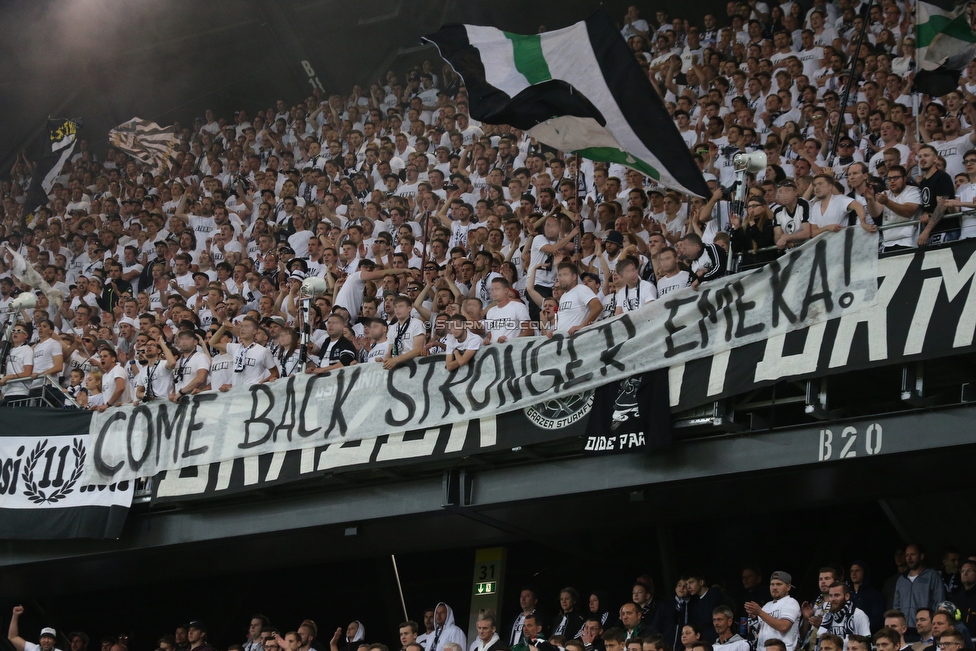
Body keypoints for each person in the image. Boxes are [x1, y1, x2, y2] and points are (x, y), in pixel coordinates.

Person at [210, 317, 279, 388]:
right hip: (237, 393)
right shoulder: (235, 348)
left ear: (254, 331)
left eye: (246, 326)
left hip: (253, 393)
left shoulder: (263, 351)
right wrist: (223, 328)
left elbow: (275, 373)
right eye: (242, 326)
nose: (242, 329)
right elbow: (212, 343)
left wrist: (263, 382)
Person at [866, 166, 922, 252]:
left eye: (896, 178)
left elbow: (907, 212)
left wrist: (887, 202)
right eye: (889, 178)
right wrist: (870, 200)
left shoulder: (913, 191)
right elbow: (875, 213)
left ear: (904, 178)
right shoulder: (886, 194)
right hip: (887, 243)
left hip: (908, 242)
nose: (892, 181)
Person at [746, 571, 801, 651]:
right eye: (772, 584)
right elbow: (757, 633)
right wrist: (753, 619)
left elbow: (783, 626)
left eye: (779, 584)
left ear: (788, 587)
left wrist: (760, 612)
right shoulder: (766, 606)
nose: (774, 587)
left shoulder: (791, 602)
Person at [894, 544, 947, 625]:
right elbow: (896, 606)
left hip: (925, 627)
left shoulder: (932, 575)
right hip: (905, 629)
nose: (909, 558)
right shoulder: (902, 580)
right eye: (907, 555)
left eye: (913, 554)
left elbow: (940, 602)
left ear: (921, 556)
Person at [552, 262, 601, 335]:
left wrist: (582, 326)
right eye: (559, 275)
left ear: (574, 277)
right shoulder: (563, 296)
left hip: (578, 340)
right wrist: (555, 332)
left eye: (565, 275)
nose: (561, 278)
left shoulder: (581, 289)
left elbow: (598, 306)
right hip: (565, 340)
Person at [0, 322, 33, 401]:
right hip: (8, 391)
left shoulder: (27, 350)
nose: (15, 332)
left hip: (21, 391)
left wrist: (8, 377)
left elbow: (28, 372)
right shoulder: (9, 351)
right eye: (13, 331)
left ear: (26, 335)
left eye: (19, 331)